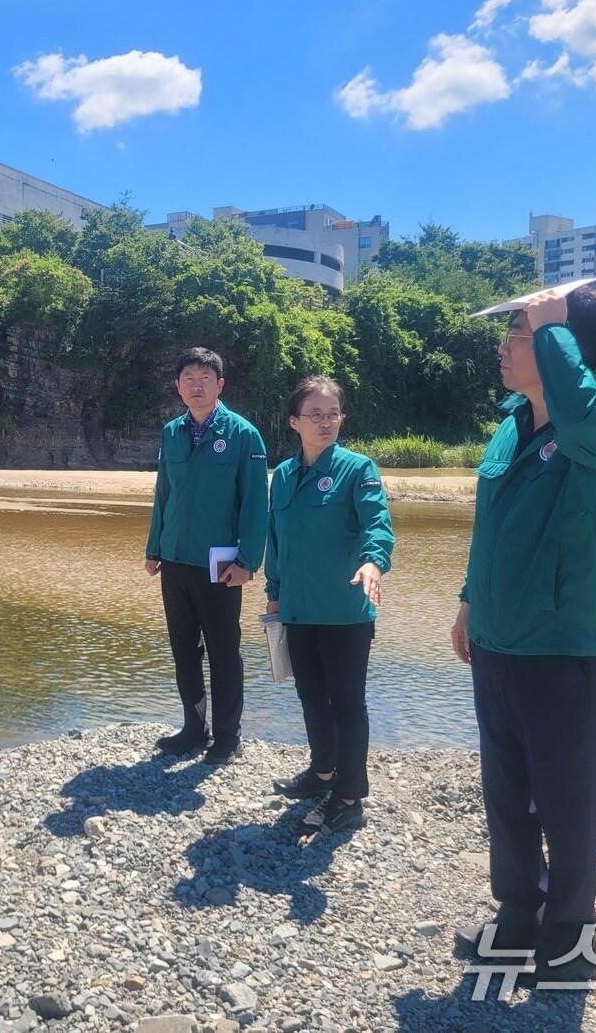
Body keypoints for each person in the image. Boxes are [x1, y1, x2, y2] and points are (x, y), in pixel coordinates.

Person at [451, 286, 596, 987]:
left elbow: (584, 416)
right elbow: (492, 528)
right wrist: (470, 604)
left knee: (566, 803)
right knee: (504, 794)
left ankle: (568, 943)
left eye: (522, 332)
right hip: (498, 643)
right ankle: (516, 919)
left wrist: (556, 323)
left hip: (563, 651)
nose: (505, 344)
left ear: (564, 343)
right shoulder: (509, 427)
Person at [264, 376, 394, 837]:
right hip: (297, 611)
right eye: (315, 415)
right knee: (311, 697)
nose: (326, 422)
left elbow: (377, 524)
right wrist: (273, 592)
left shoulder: (358, 470)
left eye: (333, 413)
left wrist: (374, 562)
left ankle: (350, 794)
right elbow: (275, 540)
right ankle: (321, 774)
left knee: (347, 704)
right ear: (294, 422)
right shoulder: (281, 475)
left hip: (344, 612)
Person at [145, 347, 269, 765]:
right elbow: (164, 493)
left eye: (204, 378)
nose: (195, 385)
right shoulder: (171, 432)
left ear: (220, 385)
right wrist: (154, 547)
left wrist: (249, 562)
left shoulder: (243, 434)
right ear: (178, 386)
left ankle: (227, 736)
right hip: (176, 559)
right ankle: (193, 728)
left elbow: (255, 504)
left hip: (221, 565)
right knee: (183, 647)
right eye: (188, 378)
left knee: (223, 649)